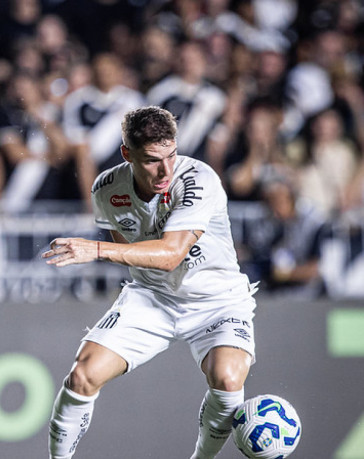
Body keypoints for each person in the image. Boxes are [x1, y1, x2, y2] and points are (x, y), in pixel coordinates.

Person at [43, 106, 257, 459]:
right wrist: (111, 251)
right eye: (152, 160)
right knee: (82, 376)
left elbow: (171, 254)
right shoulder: (107, 189)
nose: (165, 170)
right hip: (152, 296)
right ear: (127, 154)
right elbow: (131, 250)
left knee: (228, 379)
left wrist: (96, 249)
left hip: (216, 301)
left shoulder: (198, 180)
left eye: (171, 155)